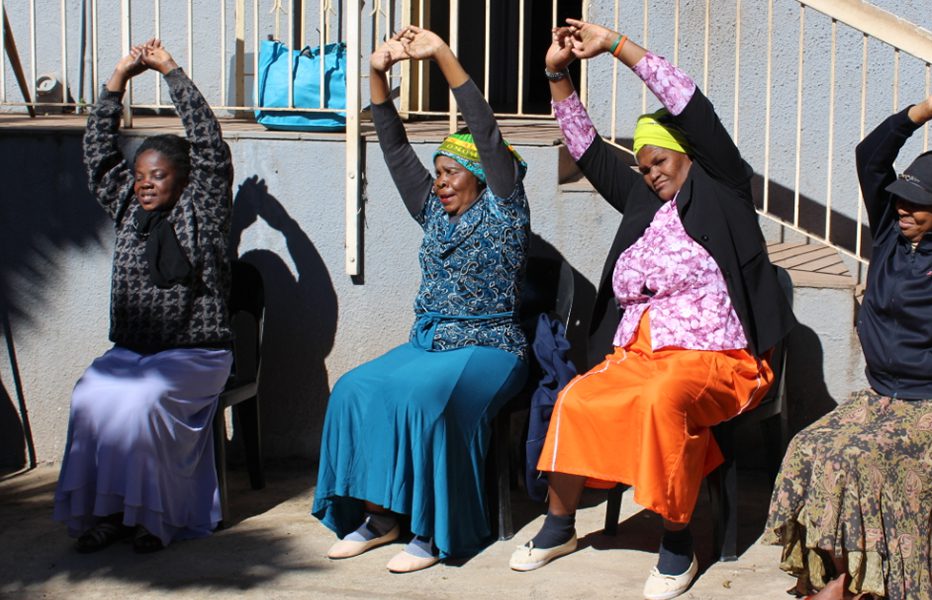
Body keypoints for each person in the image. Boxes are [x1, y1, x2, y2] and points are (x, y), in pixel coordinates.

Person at [510, 20, 795, 600]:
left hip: (718, 357)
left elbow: (684, 98)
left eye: (660, 159)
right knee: (577, 397)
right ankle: (560, 524)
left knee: (665, 402)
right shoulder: (643, 196)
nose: (651, 172)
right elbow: (585, 146)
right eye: (642, 165)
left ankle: (677, 542)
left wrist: (614, 46)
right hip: (641, 351)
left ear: (688, 154)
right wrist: (556, 73)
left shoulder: (724, 187)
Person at [763, 83, 932, 599]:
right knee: (811, 447)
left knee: (863, 461)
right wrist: (926, 110)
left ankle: (851, 584)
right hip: (882, 398)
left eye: (919, 203)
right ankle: (829, 574)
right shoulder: (891, 233)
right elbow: (871, 155)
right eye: (901, 199)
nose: (905, 208)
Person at [311, 25, 530, 573]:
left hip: (490, 347)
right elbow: (392, 147)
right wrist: (377, 75)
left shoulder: (505, 211)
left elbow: (485, 128)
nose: (440, 183)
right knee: (354, 391)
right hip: (429, 342)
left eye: (452, 173)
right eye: (438, 174)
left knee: (427, 405)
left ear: (481, 176)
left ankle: (435, 532)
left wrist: (442, 57)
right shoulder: (433, 211)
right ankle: (379, 515)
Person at [53, 39, 236, 554]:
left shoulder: (203, 209)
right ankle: (109, 513)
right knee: (90, 396)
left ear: (182, 180)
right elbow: (96, 152)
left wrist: (171, 72)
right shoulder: (127, 210)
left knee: (141, 402)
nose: (145, 185)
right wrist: (117, 79)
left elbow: (208, 144)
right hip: (132, 351)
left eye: (157, 176)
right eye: (139, 176)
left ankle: (153, 519)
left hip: (197, 354)